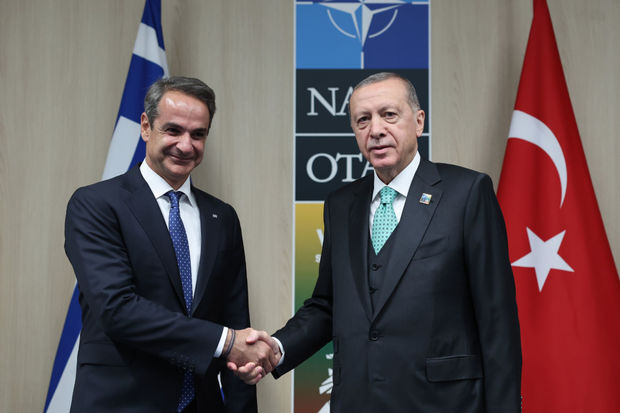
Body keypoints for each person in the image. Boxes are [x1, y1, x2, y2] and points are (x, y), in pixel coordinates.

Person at [232, 72, 522, 412]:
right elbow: (327, 305)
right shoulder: (341, 205)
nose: (376, 130)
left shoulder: (467, 193)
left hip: (444, 403)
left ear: (419, 121)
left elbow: (497, 319)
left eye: (389, 115)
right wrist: (277, 348)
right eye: (363, 120)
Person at [64, 76, 280, 413]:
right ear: (146, 127)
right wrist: (225, 342)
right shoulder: (96, 204)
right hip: (121, 404)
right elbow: (117, 309)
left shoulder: (222, 217)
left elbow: (237, 324)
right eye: (173, 130)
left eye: (198, 134)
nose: (185, 145)